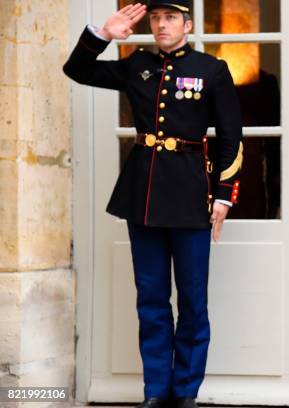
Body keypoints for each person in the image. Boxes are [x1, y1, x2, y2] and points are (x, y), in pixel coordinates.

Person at [63, 2, 243, 408]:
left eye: (171, 18)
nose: (162, 25)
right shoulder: (136, 65)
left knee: (193, 302)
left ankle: (185, 393)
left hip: (192, 196)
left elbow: (232, 136)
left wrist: (222, 194)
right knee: (151, 300)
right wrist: (102, 34)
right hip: (142, 195)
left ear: (187, 24)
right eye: (156, 18)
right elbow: (77, 70)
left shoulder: (211, 69)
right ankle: (156, 391)